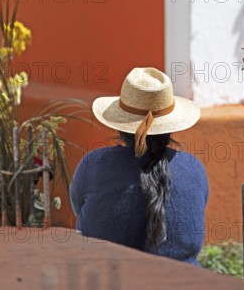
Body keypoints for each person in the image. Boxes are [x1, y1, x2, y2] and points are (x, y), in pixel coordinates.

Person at [69, 67, 209, 267]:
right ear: (170, 127)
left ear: (120, 126)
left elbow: (79, 208)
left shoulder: (94, 165)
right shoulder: (193, 168)